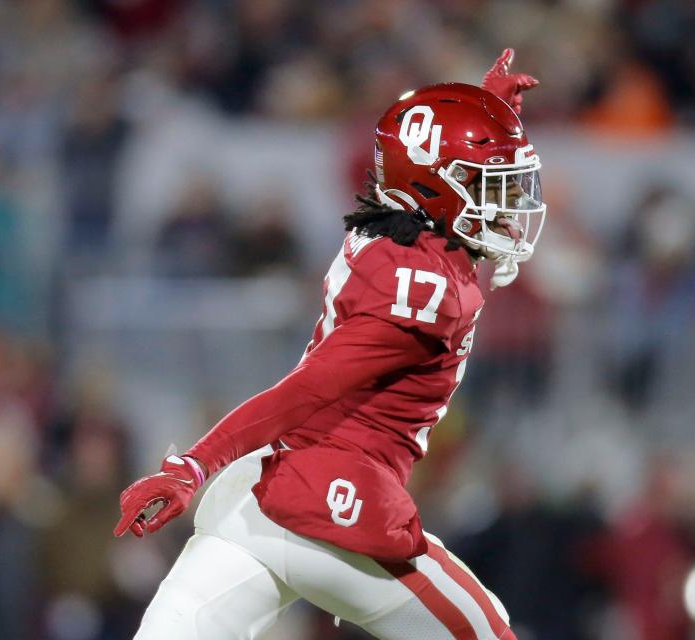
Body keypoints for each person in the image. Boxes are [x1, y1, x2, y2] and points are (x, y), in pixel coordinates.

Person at [115, 50, 544, 640]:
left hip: (254, 503)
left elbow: (422, 164)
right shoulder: (425, 287)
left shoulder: (392, 227)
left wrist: (484, 113)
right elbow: (312, 388)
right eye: (489, 184)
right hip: (337, 508)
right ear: (436, 187)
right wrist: (193, 463)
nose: (509, 205)